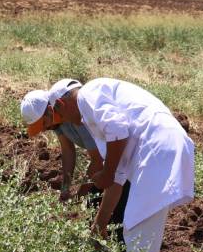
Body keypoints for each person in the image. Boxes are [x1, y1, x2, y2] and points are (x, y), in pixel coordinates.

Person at [47, 77, 194, 252]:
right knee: (137, 231)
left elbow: (117, 133)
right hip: (159, 151)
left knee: (138, 233)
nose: (67, 123)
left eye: (61, 117)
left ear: (60, 104)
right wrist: (100, 224)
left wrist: (106, 172)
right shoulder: (97, 118)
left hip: (156, 150)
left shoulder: (88, 95)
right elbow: (117, 179)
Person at [20, 82, 132, 240]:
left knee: (106, 205)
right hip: (110, 165)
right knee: (94, 202)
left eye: (43, 123)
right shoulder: (57, 124)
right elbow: (67, 151)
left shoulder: (76, 117)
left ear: (50, 110)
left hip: (119, 162)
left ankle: (117, 246)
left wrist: (79, 196)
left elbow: (97, 161)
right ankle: (101, 241)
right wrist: (65, 188)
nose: (44, 129)